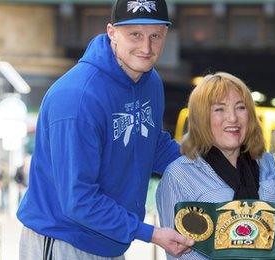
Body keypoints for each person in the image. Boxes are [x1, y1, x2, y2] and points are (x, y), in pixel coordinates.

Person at [16, 0, 193, 258]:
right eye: (135, 34)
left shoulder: (150, 81)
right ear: (112, 32)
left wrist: (208, 164)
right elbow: (79, 200)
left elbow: (152, 145)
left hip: (110, 240)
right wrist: (151, 234)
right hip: (64, 240)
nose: (146, 47)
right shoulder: (78, 99)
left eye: (155, 35)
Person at [155, 72, 275, 259]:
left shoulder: (266, 162)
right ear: (201, 118)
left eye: (240, 107)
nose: (232, 118)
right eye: (219, 109)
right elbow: (181, 253)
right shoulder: (179, 175)